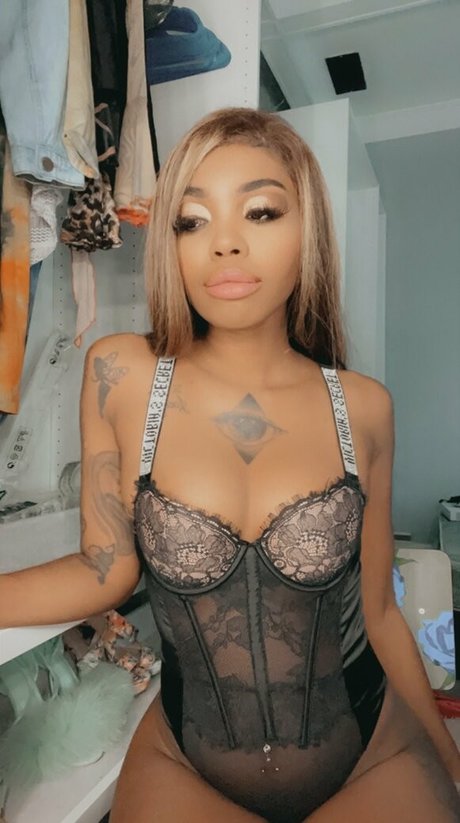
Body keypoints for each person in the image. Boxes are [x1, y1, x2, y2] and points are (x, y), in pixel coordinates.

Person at [1, 107, 459, 823]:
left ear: (307, 229)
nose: (224, 243)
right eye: (192, 221)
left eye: (261, 211)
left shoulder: (363, 407)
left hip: (372, 755)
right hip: (187, 765)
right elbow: (104, 568)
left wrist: (450, 760)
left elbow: (379, 612)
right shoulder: (121, 373)